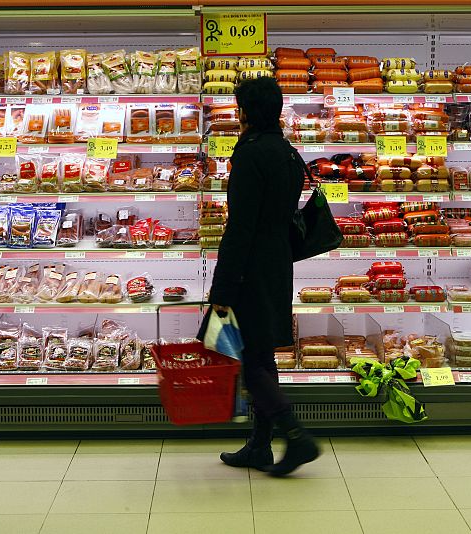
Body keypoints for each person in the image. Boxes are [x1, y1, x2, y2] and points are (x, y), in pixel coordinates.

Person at [200, 76, 320, 476]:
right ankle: (260, 445)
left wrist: (223, 286)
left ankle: (295, 432)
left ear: (246, 112)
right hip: (277, 262)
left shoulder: (250, 155)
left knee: (250, 359)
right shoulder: (288, 153)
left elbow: (240, 228)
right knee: (263, 352)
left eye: (239, 107)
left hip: (250, 266)